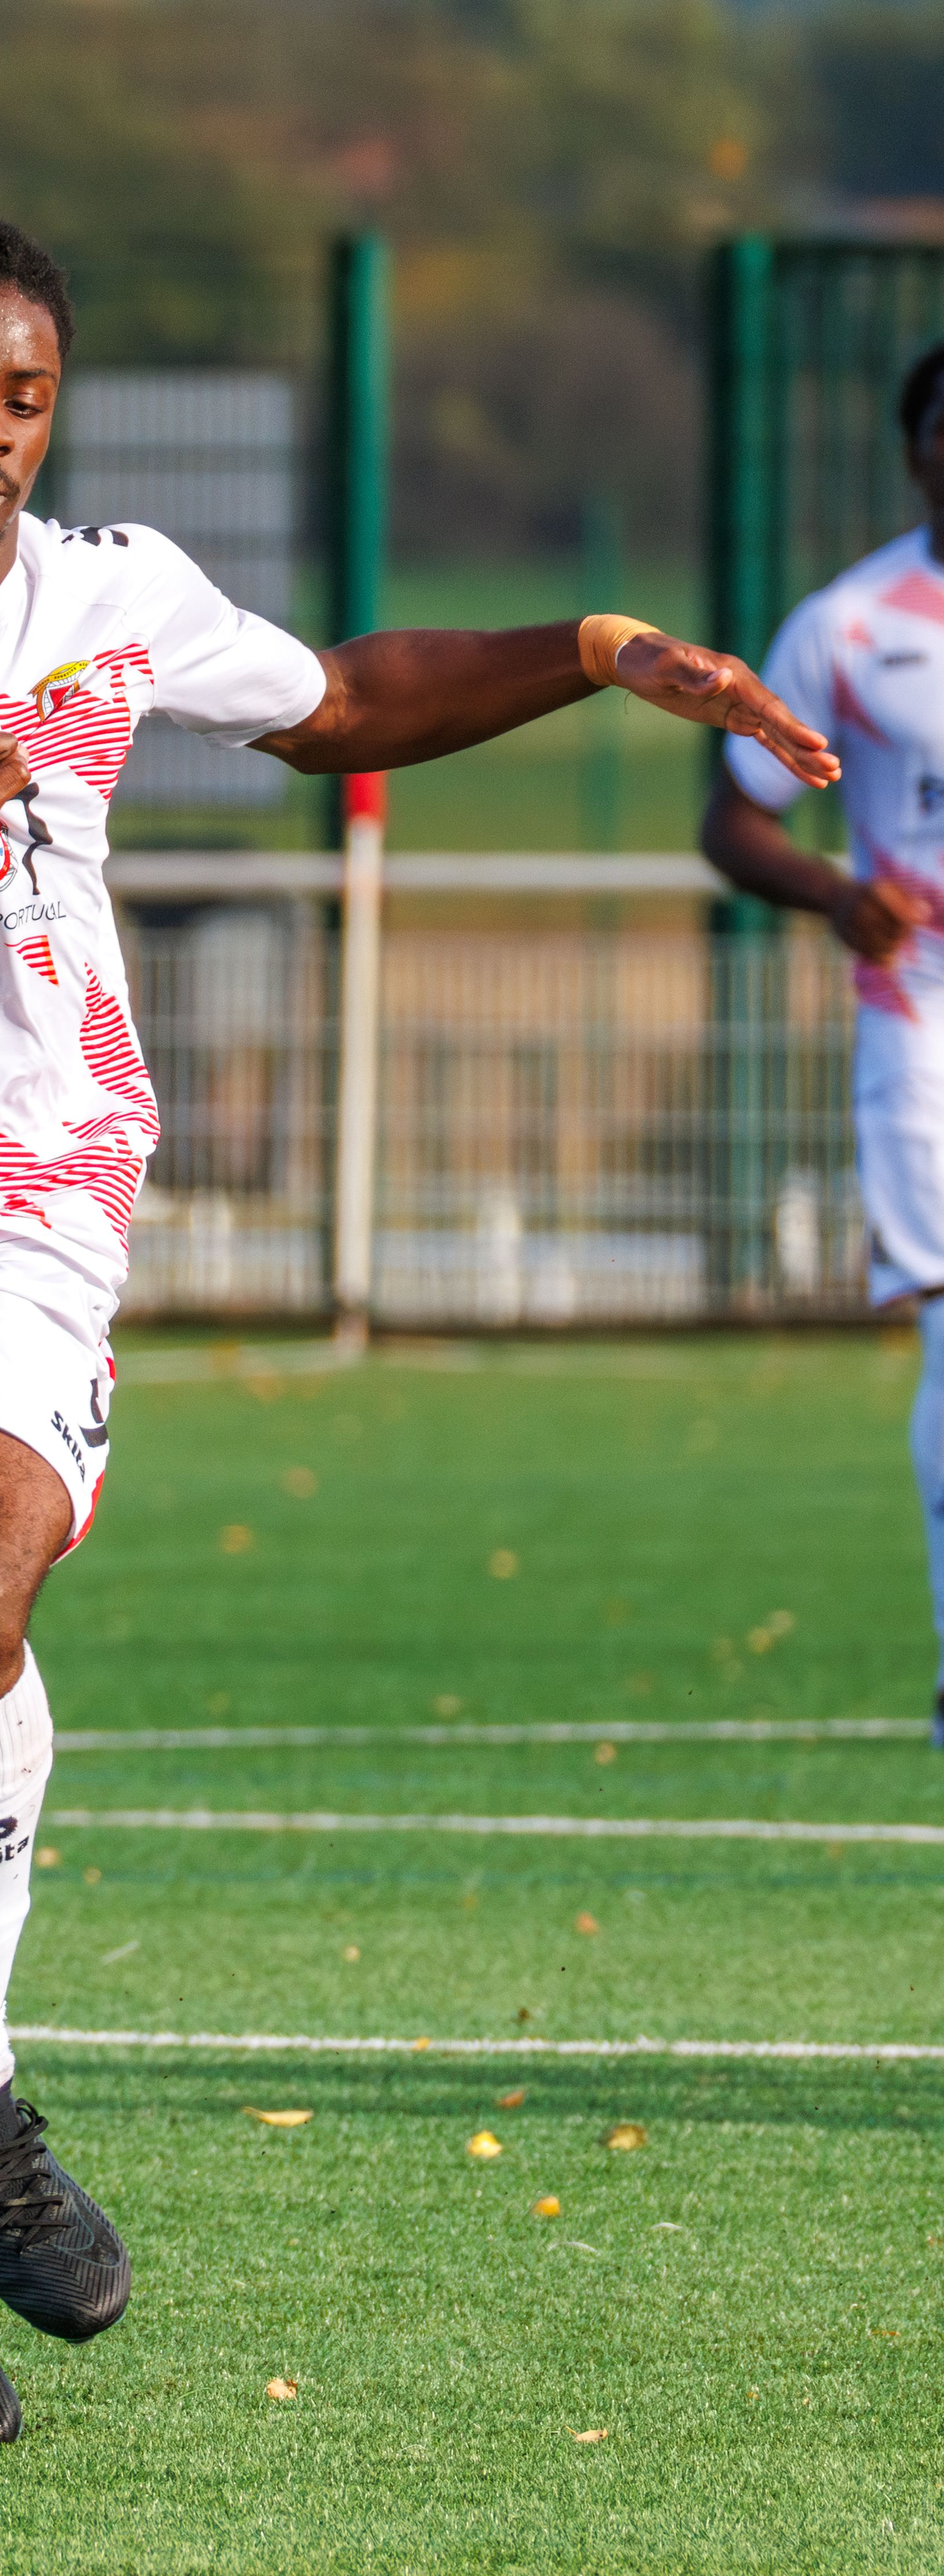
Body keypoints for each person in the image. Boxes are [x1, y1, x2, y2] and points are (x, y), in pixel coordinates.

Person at [0, 205, 836, 2446]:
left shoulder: (108, 593)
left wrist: (606, 647)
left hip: (21, 1199)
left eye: (19, 397)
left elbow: (335, 700)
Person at [701, 339, 944, 1730]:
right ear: (913, 447)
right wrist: (836, 894)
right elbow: (731, 814)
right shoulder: (849, 625)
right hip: (918, 1014)